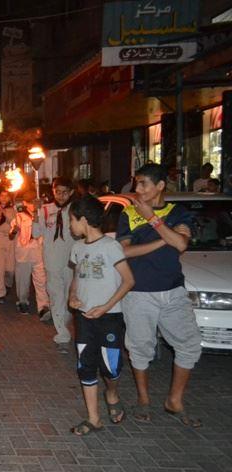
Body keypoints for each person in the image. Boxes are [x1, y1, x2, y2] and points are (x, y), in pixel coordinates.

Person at [116, 163, 202, 427]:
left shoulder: (178, 212)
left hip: (173, 290)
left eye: (143, 183)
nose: (137, 189)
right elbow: (124, 252)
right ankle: (143, 399)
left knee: (189, 344)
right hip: (139, 292)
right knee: (140, 347)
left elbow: (181, 245)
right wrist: (165, 237)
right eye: (136, 183)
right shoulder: (129, 214)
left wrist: (153, 220)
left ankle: (174, 400)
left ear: (160, 186)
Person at [67, 196, 135, 436]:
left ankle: (112, 392)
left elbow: (128, 281)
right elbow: (77, 278)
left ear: (83, 220)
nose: (70, 226)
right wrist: (72, 297)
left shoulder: (110, 247)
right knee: (85, 367)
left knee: (111, 367)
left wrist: (105, 307)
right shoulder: (77, 248)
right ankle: (93, 418)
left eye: (72, 220)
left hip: (109, 318)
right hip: (85, 318)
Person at [34, 177, 77, 346]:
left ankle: (64, 321)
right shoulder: (44, 210)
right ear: (53, 191)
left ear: (71, 192)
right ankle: (62, 331)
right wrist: (35, 214)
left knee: (68, 297)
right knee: (55, 295)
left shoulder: (75, 210)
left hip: (71, 261)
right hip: (51, 261)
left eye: (65, 192)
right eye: (57, 192)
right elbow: (36, 234)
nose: (60, 196)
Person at [12, 191, 50, 318]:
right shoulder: (19, 212)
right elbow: (11, 233)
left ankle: (43, 307)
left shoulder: (43, 211)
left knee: (41, 279)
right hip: (23, 252)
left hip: (39, 250)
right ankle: (22, 301)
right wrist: (14, 231)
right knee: (23, 280)